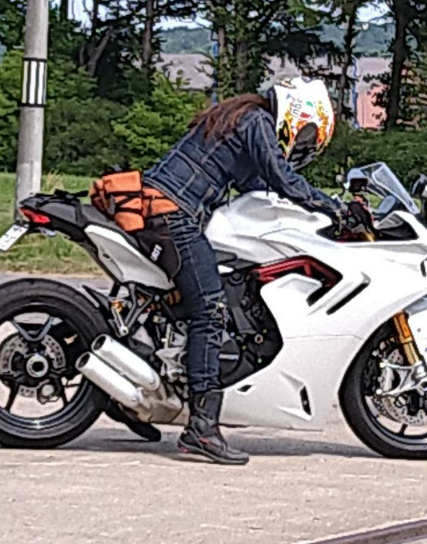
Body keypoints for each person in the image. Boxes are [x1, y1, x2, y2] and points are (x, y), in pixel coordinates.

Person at [141, 77, 372, 465]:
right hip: (174, 214)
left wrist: (307, 210)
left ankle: (137, 402)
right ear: (297, 115)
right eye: (306, 135)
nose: (302, 144)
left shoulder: (243, 119)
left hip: (165, 207)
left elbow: (259, 186)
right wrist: (335, 209)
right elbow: (282, 178)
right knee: (210, 309)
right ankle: (202, 427)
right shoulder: (256, 122)